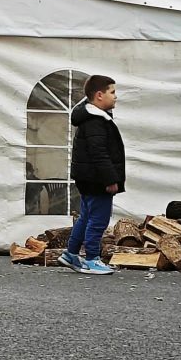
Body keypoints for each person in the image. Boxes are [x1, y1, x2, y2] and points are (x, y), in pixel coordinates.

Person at [59, 75, 125, 275]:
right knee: (98, 219)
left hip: (87, 177)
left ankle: (70, 253)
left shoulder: (92, 118)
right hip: (97, 180)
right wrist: (110, 179)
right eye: (112, 92)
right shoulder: (96, 121)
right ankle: (92, 259)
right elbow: (99, 153)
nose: (116, 97)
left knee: (86, 216)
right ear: (99, 95)